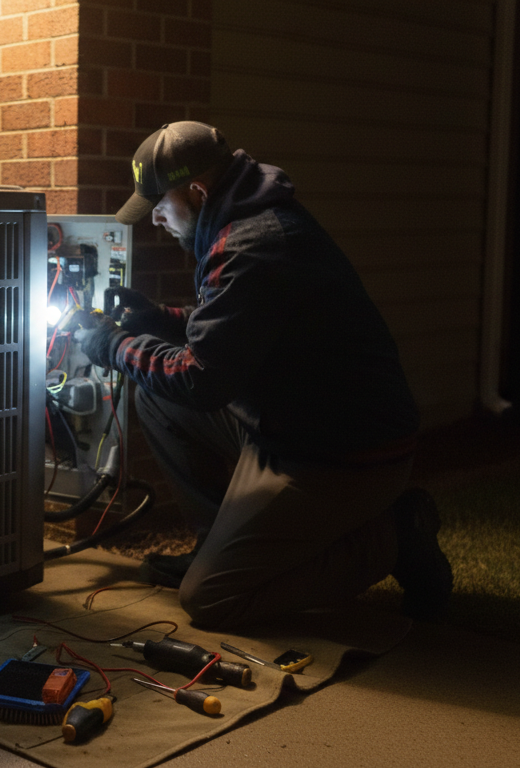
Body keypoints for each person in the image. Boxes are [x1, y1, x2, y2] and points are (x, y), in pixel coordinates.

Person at [74, 121, 453, 628]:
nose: (156, 220)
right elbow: (239, 327)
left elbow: (202, 379)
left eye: (160, 205)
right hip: (296, 423)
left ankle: (395, 537)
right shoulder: (244, 223)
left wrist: (115, 345)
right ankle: (221, 543)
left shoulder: (249, 245)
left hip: (343, 454)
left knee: (211, 599)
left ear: (199, 191)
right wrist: (156, 319)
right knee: (155, 399)